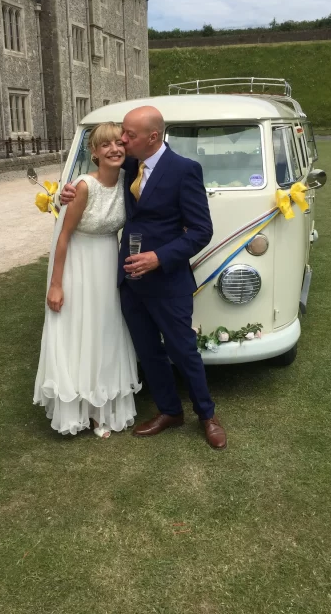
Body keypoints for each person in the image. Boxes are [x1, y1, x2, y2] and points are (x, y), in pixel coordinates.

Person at [61, 106, 227, 450]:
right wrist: (68, 191)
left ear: (154, 137)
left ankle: (207, 415)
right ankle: (169, 411)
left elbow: (201, 231)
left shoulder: (184, 170)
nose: (122, 140)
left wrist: (159, 257)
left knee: (183, 350)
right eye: (123, 133)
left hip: (167, 282)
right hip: (129, 282)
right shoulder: (131, 164)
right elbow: (98, 178)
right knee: (149, 352)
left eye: (129, 135)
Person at [34, 122, 140, 439]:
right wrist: (55, 284)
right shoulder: (82, 186)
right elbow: (63, 236)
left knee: (105, 329)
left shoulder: (128, 182)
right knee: (79, 329)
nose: (114, 149)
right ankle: (79, 406)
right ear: (94, 153)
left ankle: (101, 407)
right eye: (104, 145)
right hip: (78, 264)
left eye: (118, 143)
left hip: (108, 261)